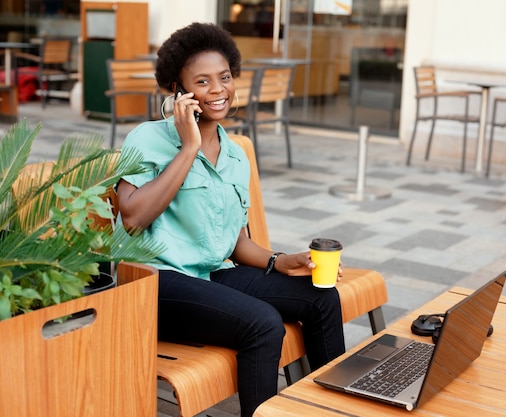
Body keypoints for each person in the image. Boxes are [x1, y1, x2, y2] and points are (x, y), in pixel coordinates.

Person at [115, 22, 345, 417]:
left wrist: (278, 260)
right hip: (153, 282)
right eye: (202, 81)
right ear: (178, 90)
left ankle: (330, 409)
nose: (219, 89)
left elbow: (234, 241)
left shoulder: (235, 155)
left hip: (211, 273)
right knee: (262, 323)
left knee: (321, 297)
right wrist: (188, 148)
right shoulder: (147, 138)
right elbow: (133, 217)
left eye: (224, 77)